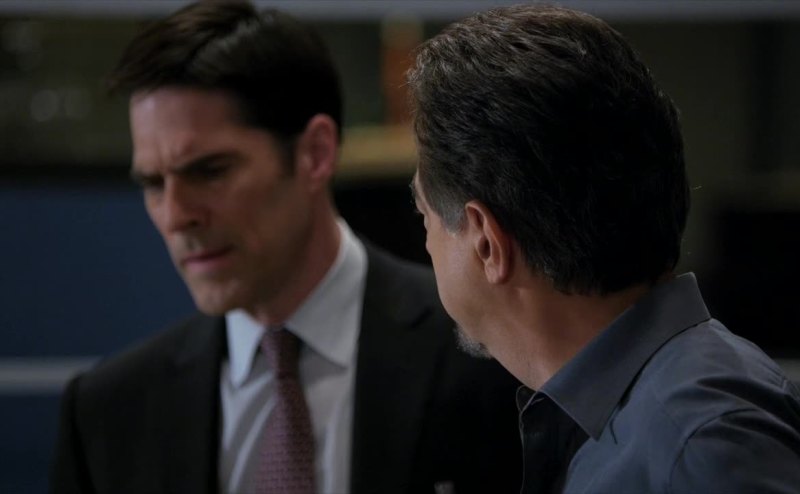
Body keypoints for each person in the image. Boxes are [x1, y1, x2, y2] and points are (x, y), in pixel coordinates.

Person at [50, 1, 522, 493]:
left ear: (315, 153)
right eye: (152, 183)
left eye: (210, 171)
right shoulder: (108, 413)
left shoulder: (491, 357)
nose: (175, 215)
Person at [407, 4, 800, 494]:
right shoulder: (645, 419)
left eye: (424, 214)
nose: (426, 241)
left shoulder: (702, 448)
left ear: (486, 242)